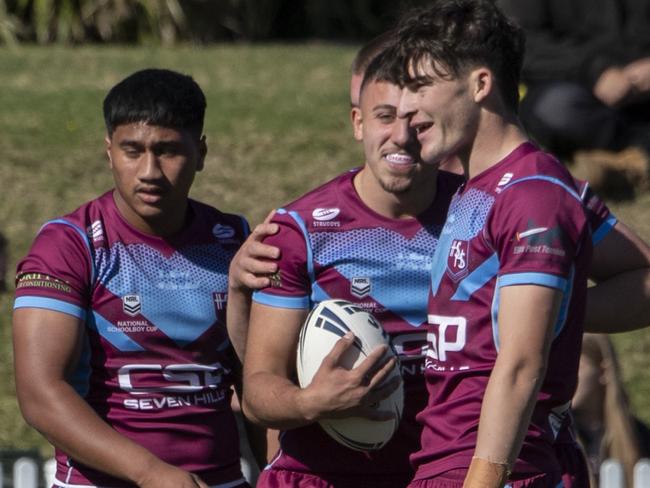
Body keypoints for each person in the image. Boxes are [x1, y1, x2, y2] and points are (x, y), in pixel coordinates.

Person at [12, 68, 261, 488]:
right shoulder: (68, 245)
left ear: (200, 153)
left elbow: (258, 384)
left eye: (167, 151)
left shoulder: (234, 240)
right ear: (109, 151)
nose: (149, 170)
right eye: (133, 150)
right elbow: (40, 395)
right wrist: (151, 474)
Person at [379, 1, 593, 486]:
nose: (406, 109)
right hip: (447, 461)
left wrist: (483, 479)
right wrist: (548, 308)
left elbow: (520, 365)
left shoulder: (534, 193)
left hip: (499, 471)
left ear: (479, 84)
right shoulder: (473, 186)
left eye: (420, 87)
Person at [233, 51, 465, 487]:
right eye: (384, 116)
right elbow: (259, 390)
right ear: (358, 122)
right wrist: (312, 402)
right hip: (324, 476)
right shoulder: (299, 229)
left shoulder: (481, 211)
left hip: (445, 471)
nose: (401, 136)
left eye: (419, 120)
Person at [498, 0, 650, 194]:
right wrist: (596, 71)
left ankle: (628, 166)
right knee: (556, 109)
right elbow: (523, 42)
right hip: (580, 91)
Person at [572, 333, 650, 486]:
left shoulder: (639, 437)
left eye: (576, 367)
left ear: (603, 370)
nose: (567, 376)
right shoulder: (558, 437)